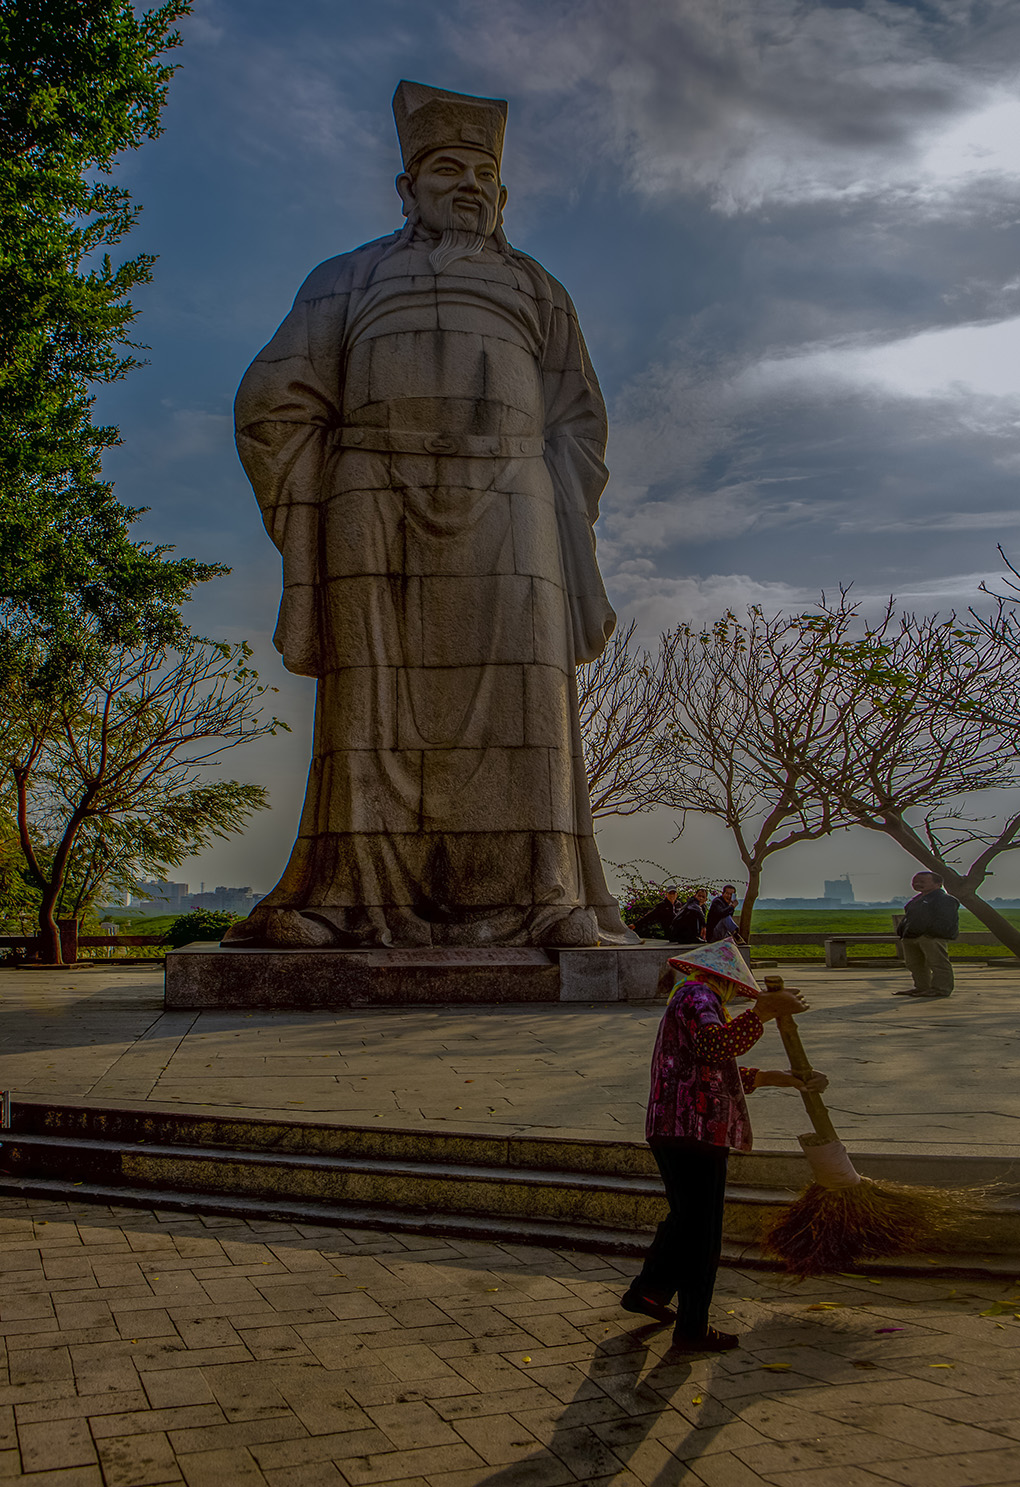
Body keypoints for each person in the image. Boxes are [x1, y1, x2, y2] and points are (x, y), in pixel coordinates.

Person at [224, 81, 633, 950]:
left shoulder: (537, 288)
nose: (470, 187)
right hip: (374, 502)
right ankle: (340, 896)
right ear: (406, 190)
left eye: (485, 175)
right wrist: (328, 486)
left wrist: (549, 492)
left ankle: (549, 896)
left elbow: (580, 418)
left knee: (528, 700)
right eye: (447, 169)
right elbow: (274, 397)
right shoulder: (347, 279)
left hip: (515, 509)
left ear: (505, 196)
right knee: (369, 705)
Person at [621, 945, 828, 1351]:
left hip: (677, 1127)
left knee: (686, 1221)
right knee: (702, 1232)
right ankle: (692, 1327)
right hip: (693, 1128)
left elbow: (709, 1066)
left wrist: (782, 1078)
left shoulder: (692, 997)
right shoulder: (698, 995)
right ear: (727, 981)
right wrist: (762, 1013)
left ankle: (647, 1292)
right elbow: (715, 1048)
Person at [894, 871, 960, 999]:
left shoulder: (945, 899)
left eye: (922, 882)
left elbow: (946, 920)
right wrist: (902, 931)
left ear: (938, 884)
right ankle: (922, 987)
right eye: (915, 882)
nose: (917, 884)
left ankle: (941, 989)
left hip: (931, 937)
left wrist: (930, 933)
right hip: (911, 936)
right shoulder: (917, 900)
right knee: (914, 964)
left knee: (937, 963)